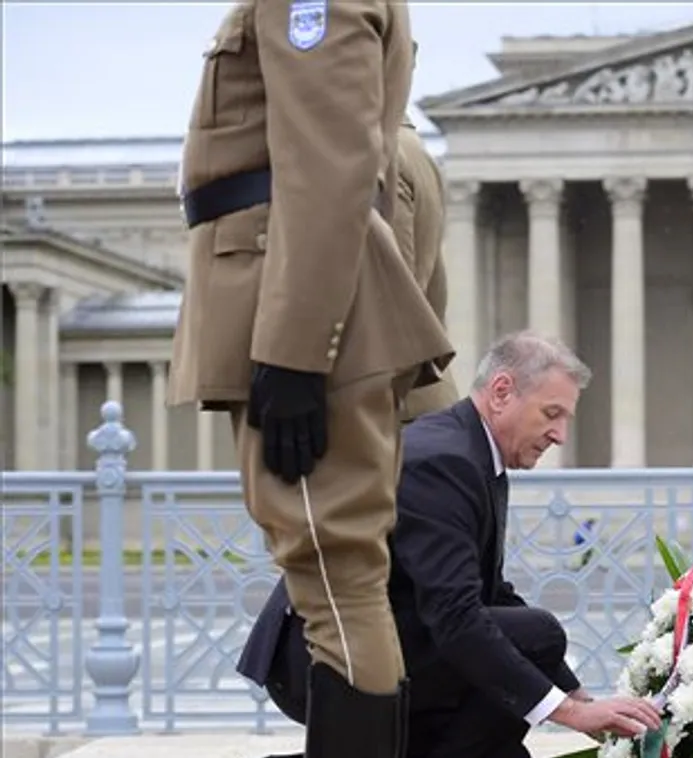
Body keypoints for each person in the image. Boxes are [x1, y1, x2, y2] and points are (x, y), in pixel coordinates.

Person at [166, 2, 454, 756]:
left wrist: (296, 352)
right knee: (338, 574)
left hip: (298, 314)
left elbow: (329, 163)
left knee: (333, 576)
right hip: (312, 306)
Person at [238, 332, 662, 757]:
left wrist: (581, 701)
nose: (560, 435)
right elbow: (455, 616)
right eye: (552, 414)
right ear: (501, 392)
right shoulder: (445, 460)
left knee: (528, 653)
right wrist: (569, 714)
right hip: (323, 658)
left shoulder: (474, 452)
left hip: (394, 639)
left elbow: (491, 595)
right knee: (536, 634)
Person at [391, 117, 460, 421]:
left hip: (389, 403)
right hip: (420, 395)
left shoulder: (373, 153)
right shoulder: (409, 147)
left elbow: (390, 304)